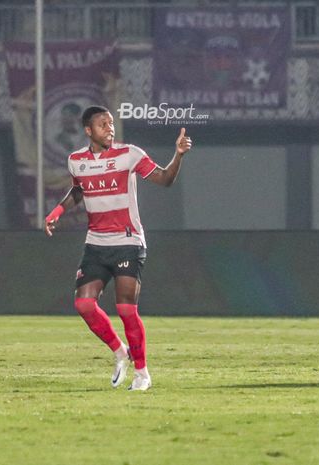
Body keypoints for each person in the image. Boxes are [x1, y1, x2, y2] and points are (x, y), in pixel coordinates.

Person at [44, 105, 192, 391]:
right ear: (88, 130)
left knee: (125, 309)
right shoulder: (76, 160)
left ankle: (142, 373)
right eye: (102, 124)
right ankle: (119, 351)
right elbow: (79, 190)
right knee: (84, 304)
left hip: (128, 242)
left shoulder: (129, 154)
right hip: (96, 243)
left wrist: (179, 155)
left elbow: (164, 179)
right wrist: (57, 212)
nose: (109, 128)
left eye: (111, 123)